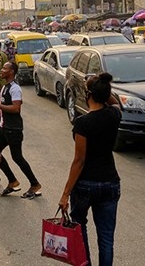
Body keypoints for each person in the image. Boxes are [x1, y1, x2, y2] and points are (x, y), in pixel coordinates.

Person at [58, 73, 122, 266]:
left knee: (79, 228)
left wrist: (65, 194)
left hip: (85, 185)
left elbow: (79, 161)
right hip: (110, 182)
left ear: (88, 95)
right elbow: (115, 101)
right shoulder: (114, 115)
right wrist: (100, 87)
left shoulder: (83, 123)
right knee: (106, 238)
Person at [0, 62, 42, 199]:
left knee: (17, 157)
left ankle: (35, 184)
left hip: (13, 129)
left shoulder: (15, 89)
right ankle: (12, 181)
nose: (2, 70)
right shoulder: (5, 87)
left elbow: (16, 108)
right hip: (3, 127)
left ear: (12, 72)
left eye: (4, 68)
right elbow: (6, 106)